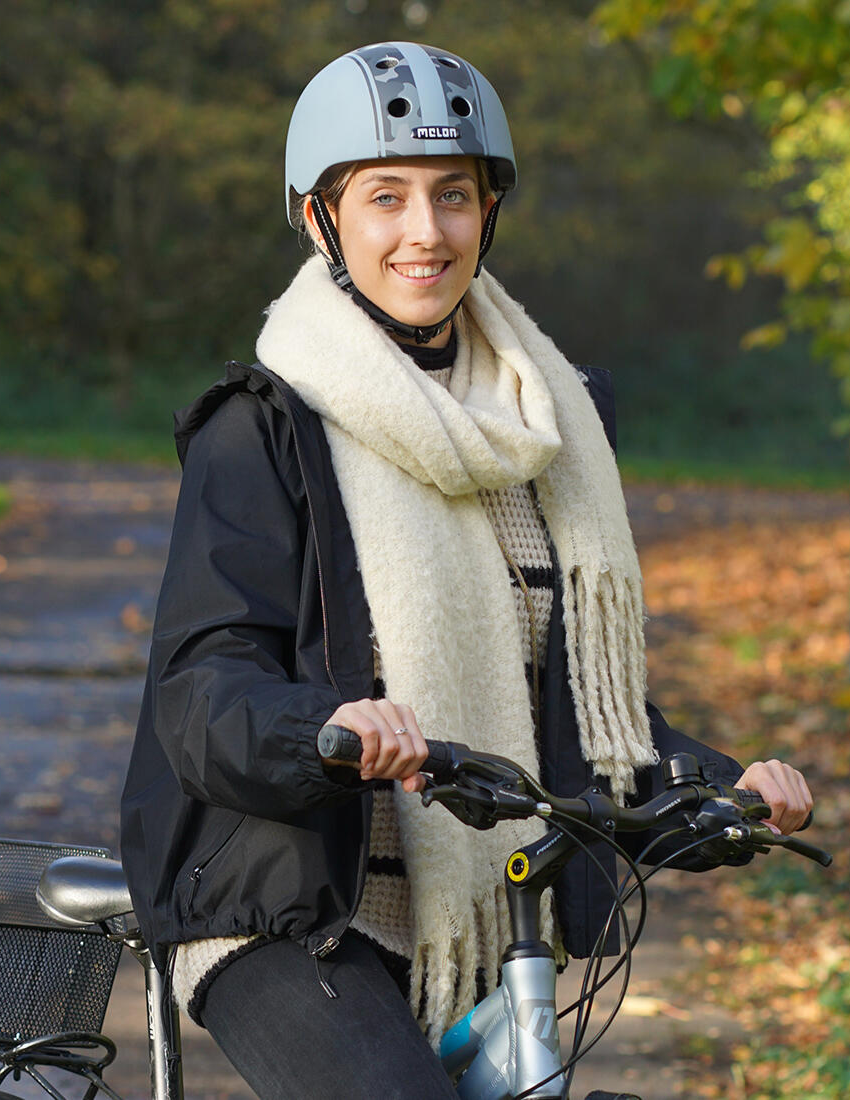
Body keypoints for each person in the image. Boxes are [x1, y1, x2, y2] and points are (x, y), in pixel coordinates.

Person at [121, 41, 813, 1099]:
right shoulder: (260, 430)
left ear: (488, 212)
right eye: (384, 196)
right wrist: (326, 731)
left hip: (495, 913)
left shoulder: (546, 434)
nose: (423, 232)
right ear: (321, 218)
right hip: (289, 908)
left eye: (452, 195)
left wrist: (721, 787)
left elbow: (589, 713)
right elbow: (203, 689)